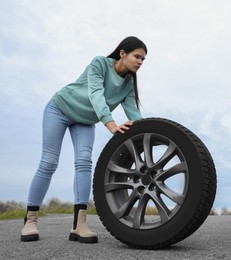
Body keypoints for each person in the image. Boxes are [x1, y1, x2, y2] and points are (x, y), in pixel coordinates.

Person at [20, 36, 147, 243]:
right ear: (122, 53)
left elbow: (134, 114)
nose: (140, 62)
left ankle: (79, 224)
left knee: (84, 163)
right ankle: (30, 220)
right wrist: (110, 123)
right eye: (137, 56)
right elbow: (96, 93)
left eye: (143, 59)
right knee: (49, 161)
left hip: (85, 120)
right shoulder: (100, 63)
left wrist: (149, 134)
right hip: (60, 108)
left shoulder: (128, 84)